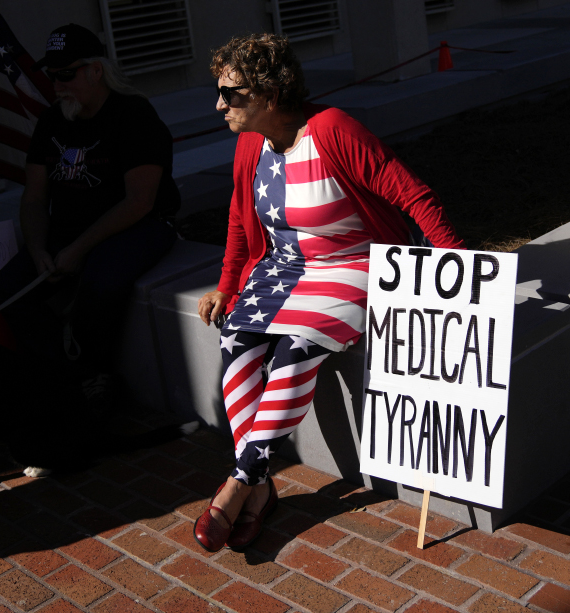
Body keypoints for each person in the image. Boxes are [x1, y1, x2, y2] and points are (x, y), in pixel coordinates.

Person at [193, 33, 465, 553]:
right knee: (236, 343)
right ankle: (260, 487)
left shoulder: (333, 130)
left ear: (270, 96)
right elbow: (237, 218)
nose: (220, 104)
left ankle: (237, 483)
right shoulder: (250, 143)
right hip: (282, 269)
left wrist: (460, 267)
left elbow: (412, 192)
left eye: (233, 94)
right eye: (220, 92)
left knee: (297, 348)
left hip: (351, 264)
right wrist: (229, 285)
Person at [0, 23, 180, 408]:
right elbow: (34, 197)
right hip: (69, 230)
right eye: (51, 75)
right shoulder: (52, 120)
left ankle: (98, 376)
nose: (57, 85)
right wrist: (39, 246)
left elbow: (139, 201)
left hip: (138, 225)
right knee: (8, 289)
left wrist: (77, 249)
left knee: (100, 284)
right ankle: (64, 374)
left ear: (96, 71)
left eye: (66, 74)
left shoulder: (133, 114)